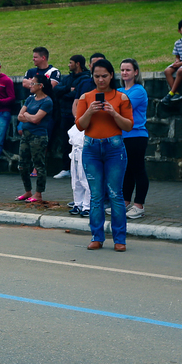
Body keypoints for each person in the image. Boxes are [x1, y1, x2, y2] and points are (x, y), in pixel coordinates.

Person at [75, 58, 133, 251]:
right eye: (97, 76)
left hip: (114, 148)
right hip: (91, 148)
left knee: (116, 194)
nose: (101, 80)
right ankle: (97, 236)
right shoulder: (85, 97)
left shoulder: (121, 97)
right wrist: (90, 111)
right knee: (96, 195)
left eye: (104, 76)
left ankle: (120, 239)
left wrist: (114, 113)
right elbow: (80, 125)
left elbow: (128, 126)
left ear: (111, 75)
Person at [54, 55, 95, 178]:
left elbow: (76, 95)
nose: (68, 65)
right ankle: (66, 168)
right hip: (64, 114)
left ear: (77, 64)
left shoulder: (85, 79)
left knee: (80, 143)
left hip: (78, 115)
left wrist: (65, 93)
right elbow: (56, 90)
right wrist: (68, 89)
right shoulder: (67, 78)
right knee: (66, 142)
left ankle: (80, 169)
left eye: (71, 62)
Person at [16, 70, 53, 203]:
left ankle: (38, 193)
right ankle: (28, 191)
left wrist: (27, 116)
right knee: (22, 164)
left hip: (38, 136)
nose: (30, 86)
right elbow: (20, 116)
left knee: (39, 164)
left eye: (33, 84)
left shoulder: (47, 101)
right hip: (26, 135)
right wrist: (29, 117)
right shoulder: (30, 99)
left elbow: (37, 119)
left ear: (40, 86)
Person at [119, 58, 149, 219]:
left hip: (136, 135)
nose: (124, 72)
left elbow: (123, 108)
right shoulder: (119, 90)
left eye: (128, 70)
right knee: (126, 171)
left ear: (135, 72)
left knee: (138, 170)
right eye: (122, 70)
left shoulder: (139, 90)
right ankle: (125, 202)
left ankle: (139, 205)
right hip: (122, 136)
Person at [66, 124, 89, 217]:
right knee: (76, 181)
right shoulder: (76, 125)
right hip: (75, 152)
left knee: (86, 181)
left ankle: (87, 206)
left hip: (86, 153)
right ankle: (78, 203)